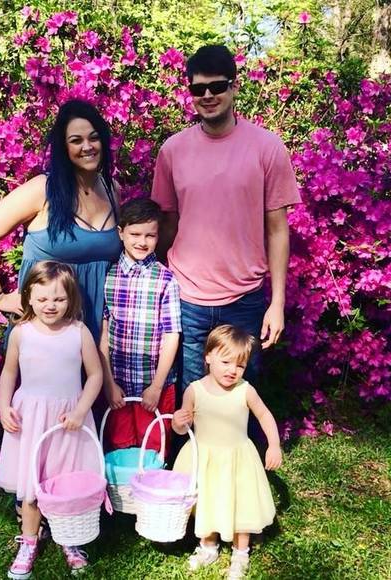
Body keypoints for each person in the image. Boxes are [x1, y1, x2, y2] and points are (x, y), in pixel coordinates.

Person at [151, 45, 301, 389]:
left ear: (234, 86)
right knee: (191, 399)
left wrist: (277, 303)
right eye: (198, 88)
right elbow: (167, 225)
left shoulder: (267, 148)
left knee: (237, 401)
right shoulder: (172, 151)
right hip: (186, 298)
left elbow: (278, 231)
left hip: (245, 300)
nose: (208, 96)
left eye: (217, 86)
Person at [0, 99, 123, 341]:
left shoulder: (112, 189)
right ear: (64, 147)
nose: (87, 146)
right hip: (46, 328)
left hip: (98, 327)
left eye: (94, 138)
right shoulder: (42, 189)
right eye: (76, 140)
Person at [0, 261, 102, 578]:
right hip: (31, 419)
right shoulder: (21, 333)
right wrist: (3, 407)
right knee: (31, 484)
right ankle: (29, 542)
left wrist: (80, 411)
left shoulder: (78, 332)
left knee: (65, 483)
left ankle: (69, 540)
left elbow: (95, 375)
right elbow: (9, 373)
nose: (50, 306)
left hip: (68, 420)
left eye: (58, 299)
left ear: (71, 298)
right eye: (42, 299)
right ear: (28, 297)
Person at [172, 325, 282, 580]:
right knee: (207, 500)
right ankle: (208, 546)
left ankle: (241, 552)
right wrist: (178, 422)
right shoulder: (194, 390)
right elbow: (182, 427)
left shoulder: (245, 390)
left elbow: (265, 415)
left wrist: (274, 445)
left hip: (237, 458)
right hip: (205, 458)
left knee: (241, 504)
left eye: (240, 366)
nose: (232, 370)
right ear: (208, 357)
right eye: (225, 362)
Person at [99, 198, 181, 453]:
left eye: (150, 235)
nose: (142, 242)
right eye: (135, 234)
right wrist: (109, 383)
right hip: (119, 385)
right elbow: (103, 333)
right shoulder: (108, 276)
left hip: (154, 385)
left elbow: (171, 335)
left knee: (154, 449)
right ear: (120, 233)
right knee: (120, 448)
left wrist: (156, 386)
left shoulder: (166, 279)